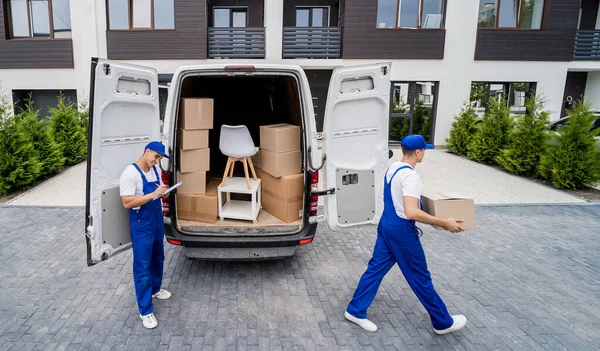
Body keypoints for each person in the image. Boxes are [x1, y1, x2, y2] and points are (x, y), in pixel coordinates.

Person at [344, 134, 467, 335]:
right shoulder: (411, 176)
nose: (424, 153)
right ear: (418, 152)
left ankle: (355, 310)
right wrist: (445, 222)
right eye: (424, 150)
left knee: (375, 269)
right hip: (401, 231)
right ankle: (442, 322)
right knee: (420, 276)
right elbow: (411, 212)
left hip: (387, 225)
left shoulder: (393, 168)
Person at [119, 141, 173, 329]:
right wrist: (152, 195)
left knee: (158, 257)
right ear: (147, 151)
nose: (157, 161)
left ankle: (155, 289)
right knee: (143, 265)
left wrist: (163, 194)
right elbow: (126, 202)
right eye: (156, 157)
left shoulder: (155, 170)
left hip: (156, 218)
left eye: (159, 158)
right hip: (142, 222)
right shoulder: (130, 173)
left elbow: (158, 194)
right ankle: (145, 310)